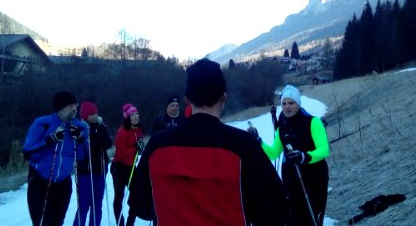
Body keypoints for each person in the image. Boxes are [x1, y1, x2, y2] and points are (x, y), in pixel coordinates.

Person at [128, 58, 287, 225]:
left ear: (187, 99)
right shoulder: (243, 145)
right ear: (224, 96)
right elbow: (275, 210)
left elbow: (141, 206)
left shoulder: (157, 145)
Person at [248, 84, 331, 226]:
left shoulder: (313, 122)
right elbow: (274, 153)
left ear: (298, 103)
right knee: (294, 219)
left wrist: (304, 156)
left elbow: (324, 149)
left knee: (313, 219)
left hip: (315, 179)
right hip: (292, 180)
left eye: (291, 103)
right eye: (284, 103)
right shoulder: (282, 127)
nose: (287, 107)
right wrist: (258, 141)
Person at [22, 90, 89, 226]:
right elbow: (28, 153)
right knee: (41, 221)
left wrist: (81, 139)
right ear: (60, 107)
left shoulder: (79, 126)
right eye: (70, 105)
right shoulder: (42, 123)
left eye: (75, 105)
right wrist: (48, 141)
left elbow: (82, 157)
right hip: (41, 180)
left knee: (58, 221)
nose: (74, 108)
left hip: (63, 182)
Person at [73, 101, 113, 226]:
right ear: (85, 116)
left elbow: (108, 144)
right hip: (85, 172)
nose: (94, 116)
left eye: (95, 113)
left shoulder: (101, 127)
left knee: (97, 205)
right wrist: (86, 136)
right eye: (91, 114)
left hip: (100, 171)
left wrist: (96, 134)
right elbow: (81, 148)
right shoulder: (80, 127)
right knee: (84, 205)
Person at [111, 103, 144, 226]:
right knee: (119, 196)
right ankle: (120, 223)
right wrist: (135, 148)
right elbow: (121, 154)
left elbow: (138, 148)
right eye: (132, 114)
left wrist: (140, 148)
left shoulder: (138, 129)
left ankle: (130, 222)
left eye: (136, 113)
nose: (135, 116)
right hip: (119, 167)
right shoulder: (122, 132)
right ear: (127, 117)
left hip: (131, 167)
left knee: (136, 194)